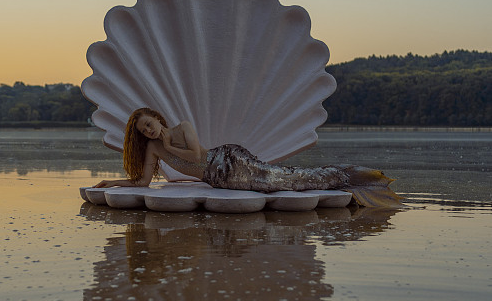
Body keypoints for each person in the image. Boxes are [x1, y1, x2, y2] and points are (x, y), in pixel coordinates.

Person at [93, 107, 402, 208]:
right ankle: (345, 179)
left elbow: (199, 155)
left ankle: (346, 177)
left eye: (149, 125)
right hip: (219, 180)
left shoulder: (180, 128)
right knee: (275, 183)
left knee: (282, 180)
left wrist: (168, 146)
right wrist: (112, 182)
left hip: (227, 160)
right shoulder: (151, 148)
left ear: (157, 119)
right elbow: (144, 182)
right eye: (143, 131)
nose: (148, 132)